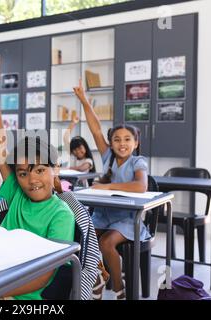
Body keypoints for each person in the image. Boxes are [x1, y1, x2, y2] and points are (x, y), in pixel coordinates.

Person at [0, 55, 75, 300]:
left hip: (24, 294)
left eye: (40, 170)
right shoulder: (16, 192)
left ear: (55, 169)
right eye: (23, 173)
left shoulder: (61, 215)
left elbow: (44, 277)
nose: (32, 180)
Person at [73, 78, 149, 300]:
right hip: (104, 216)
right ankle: (97, 278)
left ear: (135, 143)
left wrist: (106, 186)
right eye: (116, 139)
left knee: (106, 243)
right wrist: (84, 101)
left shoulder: (138, 162)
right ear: (111, 143)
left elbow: (141, 186)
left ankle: (119, 289)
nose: (121, 143)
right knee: (85, 239)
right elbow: (95, 128)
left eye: (127, 139)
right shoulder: (108, 157)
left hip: (127, 219)